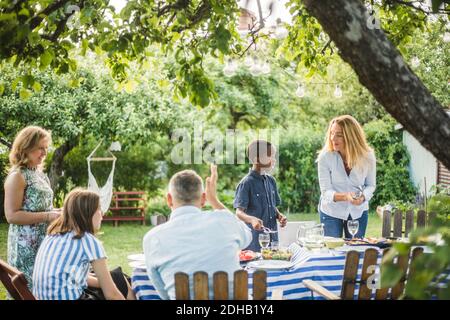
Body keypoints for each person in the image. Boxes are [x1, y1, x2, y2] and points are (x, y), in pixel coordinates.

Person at [143, 164, 252, 300]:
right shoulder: (224, 220)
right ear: (203, 199)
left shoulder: (152, 238)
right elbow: (247, 235)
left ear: (169, 199)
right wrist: (215, 201)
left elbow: (165, 294)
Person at [32, 188, 135, 300]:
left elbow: (69, 274)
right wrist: (111, 283)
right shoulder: (87, 240)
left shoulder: (53, 235)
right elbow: (112, 295)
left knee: (117, 278)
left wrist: (105, 282)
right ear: (88, 213)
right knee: (120, 280)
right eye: (99, 209)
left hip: (43, 297)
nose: (102, 214)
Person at [4, 126, 61, 288]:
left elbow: (43, 208)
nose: (44, 153)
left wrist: (58, 212)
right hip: (26, 247)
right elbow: (12, 216)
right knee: (28, 290)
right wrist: (49, 216)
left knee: (43, 288)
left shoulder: (38, 173)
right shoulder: (17, 176)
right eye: (40, 148)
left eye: (46, 148)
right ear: (26, 148)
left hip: (44, 241)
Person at [317, 115, 376, 238]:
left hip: (358, 211)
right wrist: (346, 197)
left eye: (339, 135)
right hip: (331, 211)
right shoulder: (325, 157)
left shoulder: (367, 156)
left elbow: (371, 185)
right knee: (332, 250)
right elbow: (326, 191)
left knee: (355, 250)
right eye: (332, 133)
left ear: (351, 136)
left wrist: (363, 197)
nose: (333, 138)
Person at [233, 140, 287, 252]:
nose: (274, 160)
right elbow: (239, 213)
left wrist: (279, 215)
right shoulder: (246, 183)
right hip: (255, 243)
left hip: (273, 241)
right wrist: (252, 219)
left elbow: (272, 206)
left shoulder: (271, 181)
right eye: (270, 156)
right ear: (257, 159)